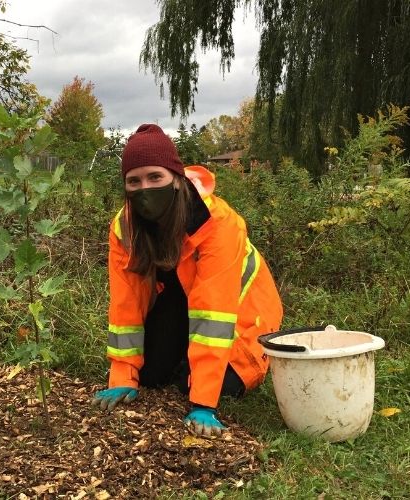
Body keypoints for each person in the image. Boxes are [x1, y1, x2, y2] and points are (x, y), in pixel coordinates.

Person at [91, 124, 283, 437]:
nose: (145, 189)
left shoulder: (218, 224)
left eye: (155, 177)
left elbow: (214, 314)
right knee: (150, 377)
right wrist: (124, 376)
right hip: (182, 302)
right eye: (134, 181)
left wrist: (203, 403)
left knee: (214, 387)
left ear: (177, 180)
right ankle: (182, 359)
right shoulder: (124, 228)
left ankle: (195, 370)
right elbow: (126, 305)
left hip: (243, 317)